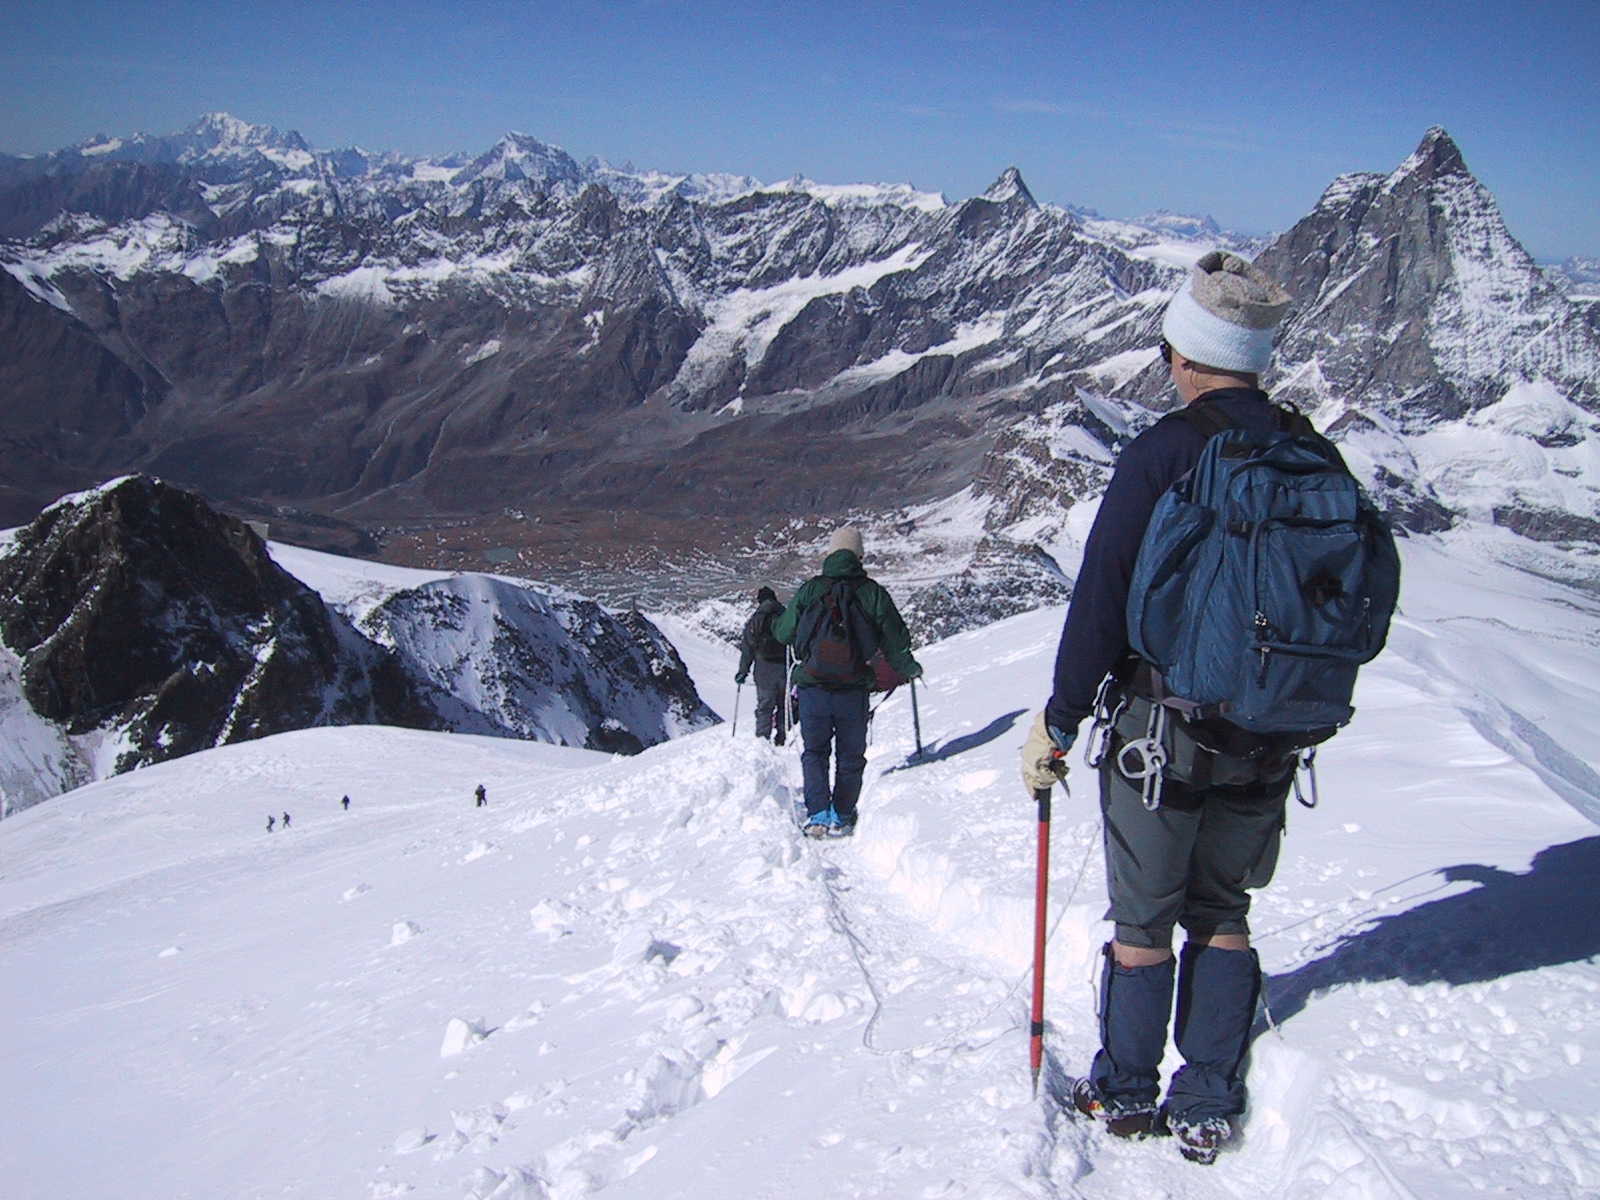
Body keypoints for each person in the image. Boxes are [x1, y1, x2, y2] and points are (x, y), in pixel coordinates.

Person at [1021, 252, 1299, 1163]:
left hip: (1160, 733)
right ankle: (1209, 1098)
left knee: (1144, 918)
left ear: (1187, 355)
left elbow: (1102, 596)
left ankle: (1128, 1092)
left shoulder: (1163, 453)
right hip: (1268, 734)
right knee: (1222, 906)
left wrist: (1062, 717)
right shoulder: (1308, 451)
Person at [774, 526, 921, 838]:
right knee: (850, 755)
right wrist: (909, 668)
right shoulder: (872, 593)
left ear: (829, 554)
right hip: (854, 690)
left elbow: (784, 633)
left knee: (815, 752)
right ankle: (843, 812)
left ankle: (818, 814)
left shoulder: (811, 590)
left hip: (813, 687)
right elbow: (895, 640)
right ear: (860, 555)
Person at [735, 586, 789, 744]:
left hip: (764, 668)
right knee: (784, 705)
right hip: (785, 667)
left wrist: (743, 671)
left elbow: (748, 647)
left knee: (765, 706)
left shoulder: (757, 619)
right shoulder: (785, 615)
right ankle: (782, 737)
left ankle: (762, 741)